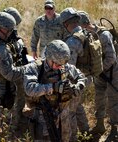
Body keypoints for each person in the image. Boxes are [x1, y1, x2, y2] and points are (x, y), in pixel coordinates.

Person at [24, 39, 87, 141]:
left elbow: (81, 77)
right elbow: (29, 88)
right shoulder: (34, 68)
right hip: (43, 116)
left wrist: (78, 87)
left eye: (62, 64)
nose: (60, 67)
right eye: (57, 64)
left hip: (63, 115)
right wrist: (53, 87)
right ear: (49, 57)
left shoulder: (63, 66)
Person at [78, 11, 118, 142]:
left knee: (113, 102)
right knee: (99, 99)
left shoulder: (104, 35)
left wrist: (99, 70)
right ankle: (100, 125)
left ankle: (115, 130)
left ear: (85, 24)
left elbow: (111, 58)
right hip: (100, 73)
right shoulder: (88, 35)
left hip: (113, 72)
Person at [60, 7, 90, 141]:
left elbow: (69, 68)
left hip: (77, 80)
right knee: (78, 106)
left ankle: (73, 138)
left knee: (70, 112)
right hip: (87, 77)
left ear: (66, 24)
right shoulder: (85, 33)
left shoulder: (72, 42)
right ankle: (86, 132)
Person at [3, 7, 29, 129]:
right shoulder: (6, 38)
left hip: (13, 70)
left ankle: (17, 117)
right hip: (13, 72)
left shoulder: (6, 34)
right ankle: (13, 124)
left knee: (18, 96)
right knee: (15, 98)